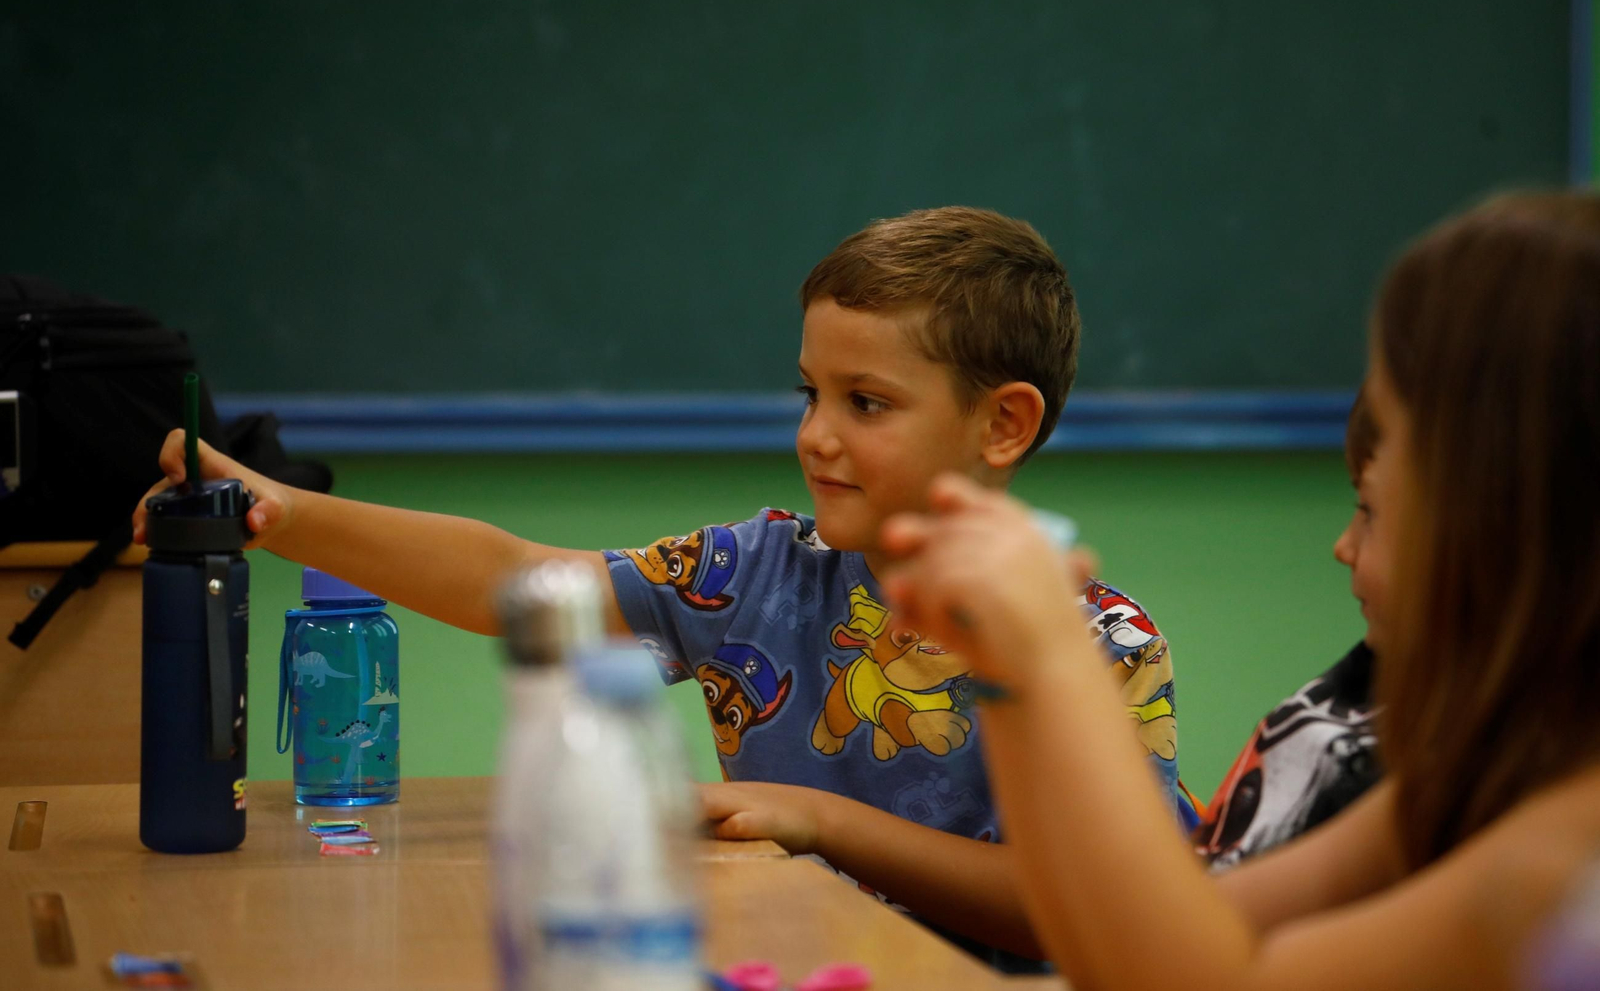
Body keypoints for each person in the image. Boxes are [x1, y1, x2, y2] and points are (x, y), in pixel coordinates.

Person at [135, 207, 1195, 961]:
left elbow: (1076, 910)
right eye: (809, 391)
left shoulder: (1098, 644)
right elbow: (517, 580)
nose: (815, 435)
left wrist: (813, 817)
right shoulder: (761, 569)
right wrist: (278, 509)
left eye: (866, 402)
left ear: (1003, 422)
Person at [875, 190, 1600, 989]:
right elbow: (1133, 946)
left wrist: (1044, 662)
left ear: (1501, 505)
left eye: (1376, 483)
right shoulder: (1461, 784)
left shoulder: (1557, 871)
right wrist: (1010, 671)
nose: (1343, 540)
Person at [1194, 388, 1384, 867]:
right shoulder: (1353, 698)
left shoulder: (1420, 782)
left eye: (1371, 510)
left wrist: (1046, 669)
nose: (1342, 546)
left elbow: (1210, 930)